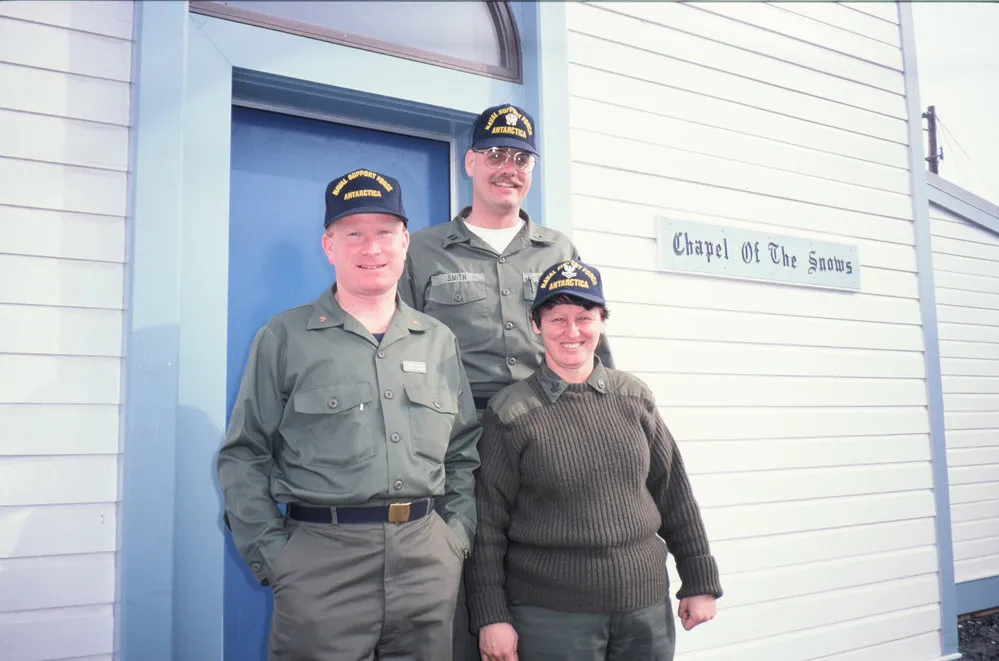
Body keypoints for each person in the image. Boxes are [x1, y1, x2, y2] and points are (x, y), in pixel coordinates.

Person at [217, 168, 481, 661]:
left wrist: (455, 538)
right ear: (328, 246)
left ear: (405, 243)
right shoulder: (286, 337)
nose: (371, 248)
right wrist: (278, 559)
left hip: (427, 564)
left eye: (384, 232)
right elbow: (244, 455)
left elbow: (463, 450)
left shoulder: (439, 340)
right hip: (321, 565)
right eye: (353, 233)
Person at [399, 103, 614, 660]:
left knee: (546, 556)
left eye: (521, 157)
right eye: (495, 154)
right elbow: (396, 347)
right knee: (466, 563)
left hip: (548, 430)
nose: (508, 167)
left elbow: (590, 343)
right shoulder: (422, 250)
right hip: (459, 441)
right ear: (470, 162)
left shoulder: (558, 250)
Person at [467, 259, 722, 661]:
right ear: (537, 325)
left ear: (602, 322)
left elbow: (674, 494)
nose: (572, 332)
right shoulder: (511, 412)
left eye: (584, 318)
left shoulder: (634, 397)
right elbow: (487, 526)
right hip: (551, 619)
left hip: (645, 612)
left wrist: (699, 578)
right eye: (557, 319)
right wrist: (491, 616)